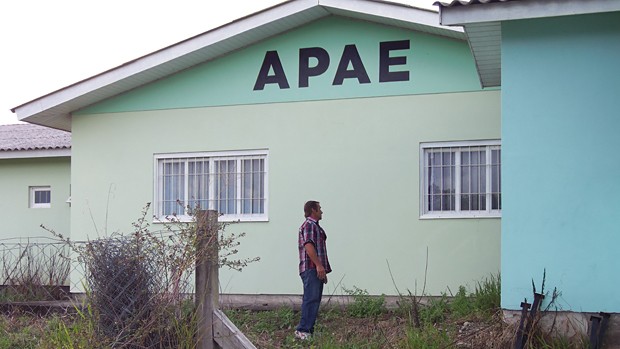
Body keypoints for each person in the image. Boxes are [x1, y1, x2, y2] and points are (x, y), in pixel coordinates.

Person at [295, 200, 332, 340]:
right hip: (311, 268)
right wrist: (318, 265)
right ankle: (303, 331)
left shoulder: (314, 226)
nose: (321, 211)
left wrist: (322, 269)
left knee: (314, 299)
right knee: (310, 299)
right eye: (319, 209)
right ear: (313, 210)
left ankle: (308, 331)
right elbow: (309, 246)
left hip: (315, 269)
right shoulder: (309, 225)